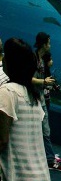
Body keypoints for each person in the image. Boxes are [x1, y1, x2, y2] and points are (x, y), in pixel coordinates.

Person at [0, 37, 50, 181]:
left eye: (5, 55)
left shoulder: (8, 92)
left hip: (21, 176)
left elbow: (2, 140)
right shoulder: (33, 96)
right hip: (41, 175)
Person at [32, 33, 61, 172]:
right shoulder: (34, 59)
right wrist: (44, 82)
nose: (50, 45)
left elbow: (43, 78)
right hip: (34, 99)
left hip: (41, 98)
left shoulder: (42, 60)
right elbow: (29, 78)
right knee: (42, 129)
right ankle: (49, 159)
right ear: (44, 44)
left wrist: (51, 85)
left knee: (45, 129)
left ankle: (47, 156)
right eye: (49, 43)